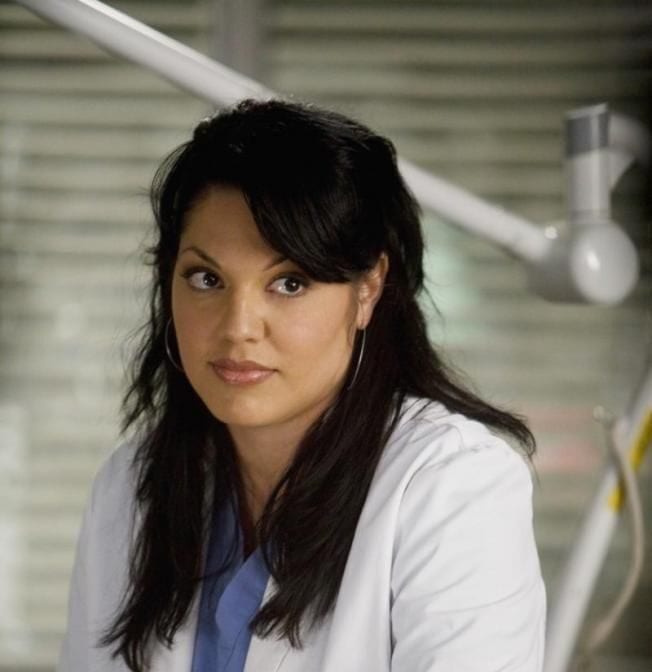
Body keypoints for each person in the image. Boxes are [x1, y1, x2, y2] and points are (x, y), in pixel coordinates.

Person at [58, 99, 546, 672]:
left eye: (289, 283)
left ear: (367, 289)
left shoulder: (451, 485)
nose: (238, 327)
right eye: (206, 278)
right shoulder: (132, 487)